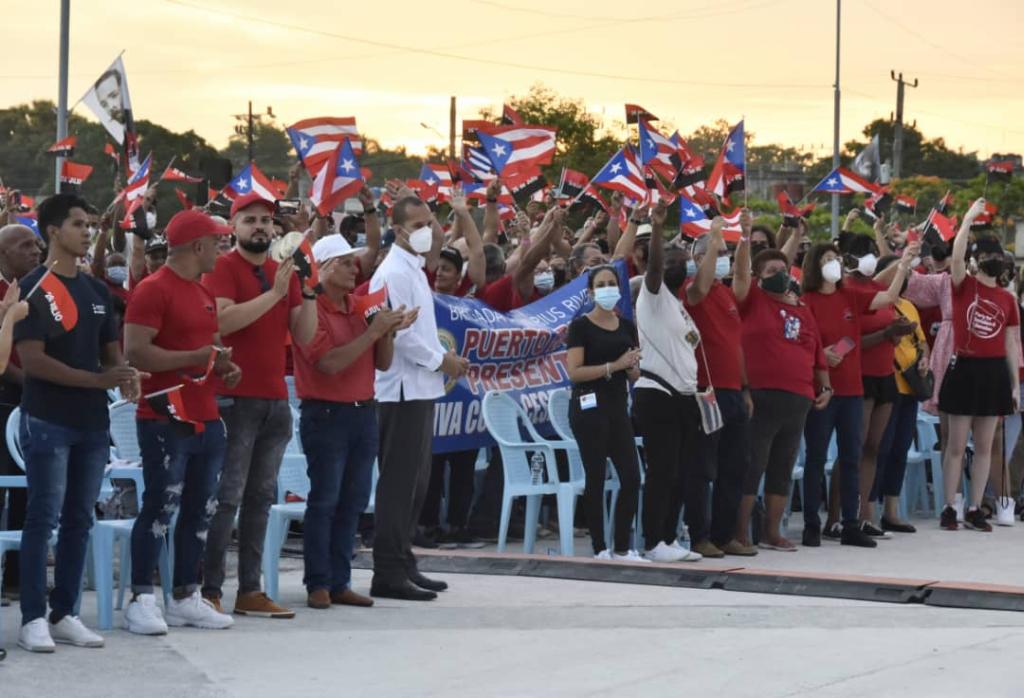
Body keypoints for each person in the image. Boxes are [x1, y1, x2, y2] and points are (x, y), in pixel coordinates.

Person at [14, 193, 138, 653]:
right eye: (78, 224)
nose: (87, 232)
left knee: (79, 520)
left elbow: (111, 352)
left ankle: (64, 613)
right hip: (47, 419)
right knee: (42, 518)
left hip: (91, 423)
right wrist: (98, 379)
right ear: (52, 232)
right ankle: (32, 619)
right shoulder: (31, 288)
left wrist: (125, 376)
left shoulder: (97, 290)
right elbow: (34, 362)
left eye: (89, 224)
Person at [123, 209, 242, 634]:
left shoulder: (203, 292)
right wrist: (195, 359)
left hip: (205, 415)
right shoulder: (153, 289)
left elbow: (209, 347)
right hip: (163, 416)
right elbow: (135, 352)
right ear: (197, 246)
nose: (222, 249)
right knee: (160, 506)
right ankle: (140, 597)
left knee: (200, 509)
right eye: (218, 242)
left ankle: (186, 596)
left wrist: (224, 367)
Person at [200, 192, 318, 618]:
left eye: (267, 221)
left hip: (274, 399)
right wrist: (275, 294)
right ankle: (209, 589)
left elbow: (304, 335)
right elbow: (222, 320)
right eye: (250, 220)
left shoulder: (280, 271)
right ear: (233, 226)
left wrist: (309, 290)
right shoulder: (222, 268)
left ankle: (249, 590)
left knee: (261, 497)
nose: (260, 228)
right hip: (233, 398)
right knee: (227, 496)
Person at [294, 235, 414, 609]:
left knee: (354, 501)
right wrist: (374, 332)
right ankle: (318, 582)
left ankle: (339, 580)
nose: (354, 269)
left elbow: (382, 362)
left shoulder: (360, 307)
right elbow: (328, 363)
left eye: (353, 262)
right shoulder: (311, 311)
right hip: (326, 412)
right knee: (325, 499)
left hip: (363, 410)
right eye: (346, 262)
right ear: (326, 267)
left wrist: (388, 332)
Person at [369, 195, 468, 601]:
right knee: (398, 483)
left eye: (430, 221)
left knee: (416, 483)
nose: (429, 229)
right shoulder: (394, 272)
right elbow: (402, 336)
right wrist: (441, 361)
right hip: (401, 390)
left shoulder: (413, 268)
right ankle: (388, 570)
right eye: (420, 223)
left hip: (419, 388)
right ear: (399, 230)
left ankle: (404, 559)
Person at [799, 242, 914, 547]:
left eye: (836, 259)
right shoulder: (806, 299)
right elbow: (803, 340)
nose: (834, 264)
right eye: (827, 259)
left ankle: (851, 523)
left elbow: (888, 297)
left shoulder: (849, 293)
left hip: (852, 389)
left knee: (852, 456)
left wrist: (903, 264)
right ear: (815, 266)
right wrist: (821, 354)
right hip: (823, 390)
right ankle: (813, 522)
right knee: (817, 456)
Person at [733, 249, 832, 551]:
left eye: (783, 268)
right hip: (761, 396)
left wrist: (825, 387)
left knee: (782, 468)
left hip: (798, 399)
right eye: (770, 270)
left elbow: (816, 353)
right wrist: (745, 239)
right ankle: (740, 533)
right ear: (758, 277)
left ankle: (771, 532)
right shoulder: (753, 300)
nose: (779, 274)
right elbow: (738, 274)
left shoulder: (802, 308)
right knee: (753, 465)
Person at [938, 199, 1020, 532]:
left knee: (985, 445)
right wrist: (969, 219)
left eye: (995, 255)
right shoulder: (963, 286)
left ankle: (974, 506)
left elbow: (1010, 343)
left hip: (993, 371)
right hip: (965, 367)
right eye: (985, 255)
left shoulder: (1007, 298)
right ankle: (949, 505)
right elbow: (956, 257)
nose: (991, 260)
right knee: (956, 444)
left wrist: (1014, 384)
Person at [681, 210, 756, 557]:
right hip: (705, 392)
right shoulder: (692, 291)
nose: (720, 260)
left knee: (733, 466)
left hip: (731, 392)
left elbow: (742, 274)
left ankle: (724, 535)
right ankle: (700, 536)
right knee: (703, 468)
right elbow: (702, 282)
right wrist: (712, 240)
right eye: (715, 255)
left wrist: (743, 238)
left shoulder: (726, 295)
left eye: (721, 254)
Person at [632, 202, 704, 562]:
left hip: (685, 397)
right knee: (662, 471)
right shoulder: (653, 297)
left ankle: (669, 537)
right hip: (657, 394)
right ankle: (653, 541)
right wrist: (658, 228)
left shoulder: (679, 305)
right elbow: (657, 267)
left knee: (680, 472)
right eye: (669, 259)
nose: (677, 263)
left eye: (682, 259)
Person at [835, 227, 915, 539]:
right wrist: (905, 264)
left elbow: (885, 277)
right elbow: (852, 339)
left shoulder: (868, 285)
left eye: (873, 254)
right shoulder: (848, 289)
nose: (870, 260)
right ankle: (841, 515)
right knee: (853, 449)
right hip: (861, 377)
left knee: (873, 448)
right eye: (864, 254)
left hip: (885, 377)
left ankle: (866, 514)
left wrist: (905, 255)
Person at [566, 263, 644, 561]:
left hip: (617, 408)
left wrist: (634, 367)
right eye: (602, 284)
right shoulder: (581, 326)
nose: (608, 288)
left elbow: (632, 370)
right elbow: (575, 372)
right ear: (591, 291)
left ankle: (623, 546)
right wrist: (614, 366)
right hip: (588, 408)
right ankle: (600, 546)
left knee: (631, 477)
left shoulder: (626, 326)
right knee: (596, 477)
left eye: (612, 283)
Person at [873, 255, 930, 533]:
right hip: (885, 385)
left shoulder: (909, 306)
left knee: (899, 449)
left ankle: (891, 511)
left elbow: (922, 342)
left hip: (910, 387)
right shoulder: (877, 303)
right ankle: (869, 509)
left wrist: (923, 360)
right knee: (879, 449)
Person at [0, 223, 41, 597]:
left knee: (29, 489)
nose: (35, 250)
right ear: (4, 253)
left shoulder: (42, 289)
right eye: (25, 245)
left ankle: (16, 575)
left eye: (37, 244)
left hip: (35, 400)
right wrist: (32, 379)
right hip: (6, 398)